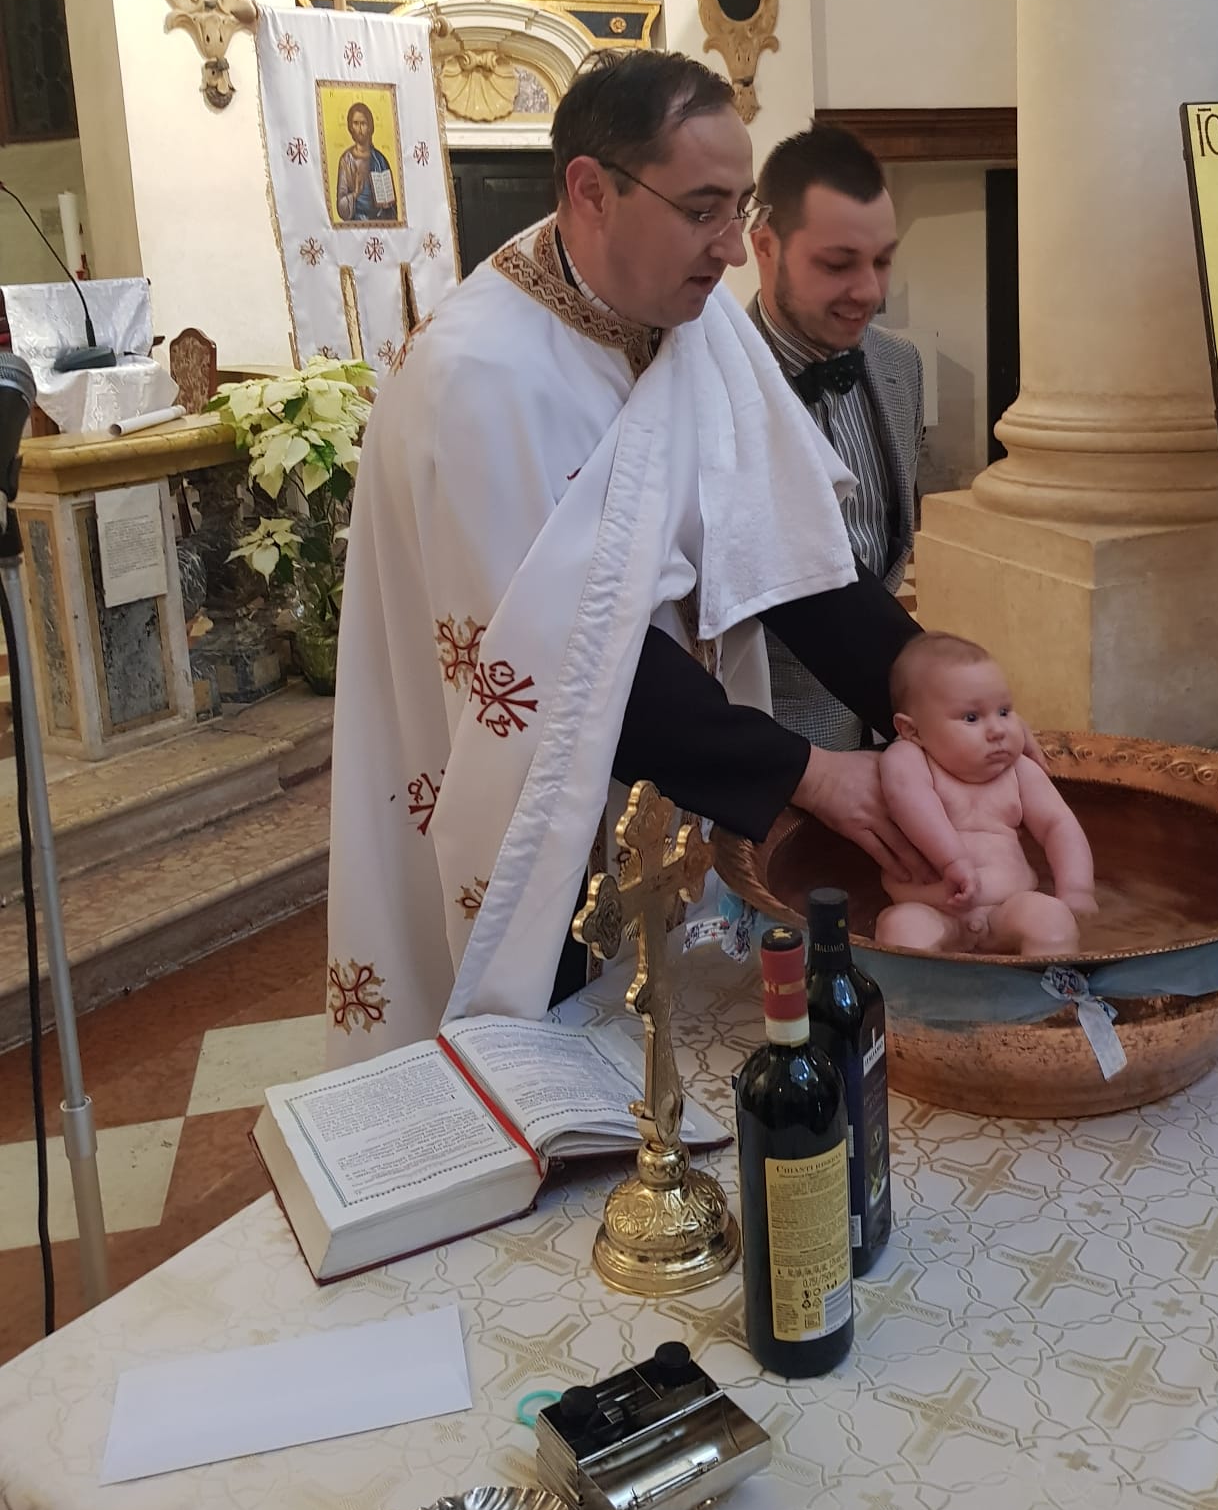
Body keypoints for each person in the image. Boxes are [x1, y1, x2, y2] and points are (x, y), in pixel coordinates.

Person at [327, 51, 934, 1060]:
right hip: (532, 802)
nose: (732, 250)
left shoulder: (689, 319)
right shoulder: (479, 381)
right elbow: (563, 665)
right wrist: (811, 774)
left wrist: (925, 685)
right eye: (702, 210)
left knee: (671, 1046)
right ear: (591, 191)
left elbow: (782, 543)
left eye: (738, 208)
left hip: (664, 774)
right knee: (547, 1062)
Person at [749, 125, 923, 749]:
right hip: (776, 735)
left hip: (891, 730)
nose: (870, 291)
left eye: (882, 260)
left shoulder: (901, 365)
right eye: (838, 264)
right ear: (764, 245)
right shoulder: (714, 387)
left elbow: (884, 544)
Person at [875, 633, 1096, 958]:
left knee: (1052, 920)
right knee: (901, 929)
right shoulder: (909, 759)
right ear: (912, 730)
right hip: (933, 912)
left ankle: (1052, 989)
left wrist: (1077, 889)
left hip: (1008, 909)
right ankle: (920, 992)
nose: (998, 730)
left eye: (1005, 711)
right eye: (972, 717)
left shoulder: (1018, 771)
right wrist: (952, 861)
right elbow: (909, 800)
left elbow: (1058, 825)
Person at [335, 101, 398, 222]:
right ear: (350, 127)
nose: (359, 129)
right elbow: (341, 205)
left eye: (363, 123)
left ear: (370, 127)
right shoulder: (346, 160)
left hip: (380, 222)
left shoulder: (379, 159)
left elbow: (392, 206)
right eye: (355, 123)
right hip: (356, 223)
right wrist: (355, 194)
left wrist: (387, 204)